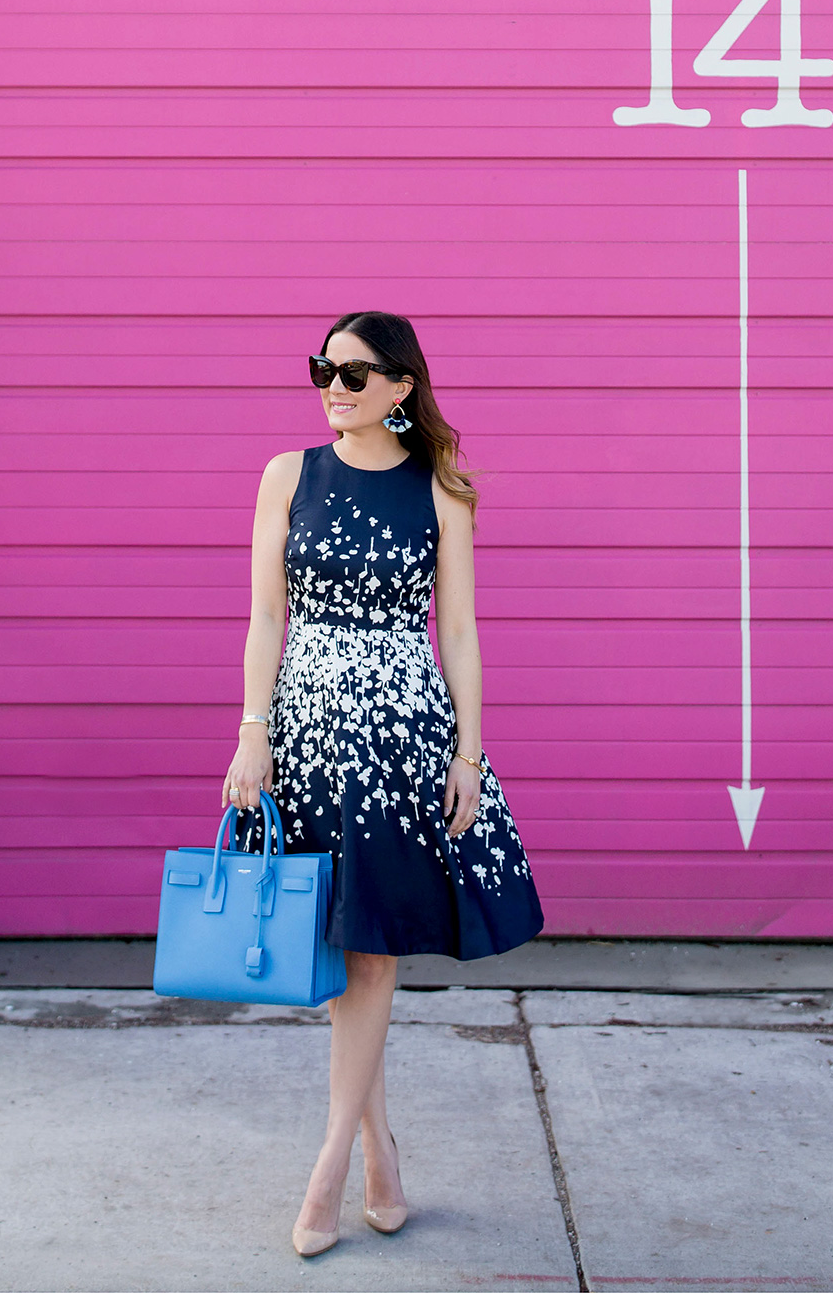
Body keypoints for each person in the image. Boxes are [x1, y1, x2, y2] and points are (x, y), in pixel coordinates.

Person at [221, 310, 544, 1257]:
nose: (334, 385)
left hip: (400, 737)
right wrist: (251, 737)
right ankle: (381, 1153)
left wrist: (470, 756)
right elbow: (263, 622)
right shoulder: (288, 475)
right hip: (305, 733)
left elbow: (463, 635)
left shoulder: (441, 490)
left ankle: (326, 1171)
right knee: (338, 949)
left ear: (402, 388)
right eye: (325, 368)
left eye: (356, 375)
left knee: (371, 954)